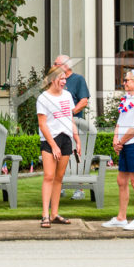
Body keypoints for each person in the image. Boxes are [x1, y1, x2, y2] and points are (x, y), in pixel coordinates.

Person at [105, 70, 134, 231]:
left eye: (127, 80)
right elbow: (120, 122)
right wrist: (115, 140)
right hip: (126, 144)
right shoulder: (127, 100)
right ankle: (121, 217)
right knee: (122, 180)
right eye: (124, 80)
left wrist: (121, 142)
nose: (124, 83)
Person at [36, 65, 80, 228]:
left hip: (66, 138)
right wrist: (53, 146)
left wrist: (77, 139)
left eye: (64, 79)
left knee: (59, 178)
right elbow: (42, 124)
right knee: (49, 176)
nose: (64, 82)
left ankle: (54, 214)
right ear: (53, 80)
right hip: (50, 139)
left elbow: (70, 118)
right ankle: (45, 215)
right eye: (61, 79)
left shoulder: (67, 96)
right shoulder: (43, 98)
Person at [54, 54, 91, 200]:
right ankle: (60, 186)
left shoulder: (78, 79)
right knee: (60, 156)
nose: (54, 66)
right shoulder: (55, 80)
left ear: (66, 65)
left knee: (76, 155)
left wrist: (70, 112)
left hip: (74, 122)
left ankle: (79, 189)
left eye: (56, 63)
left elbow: (84, 101)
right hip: (58, 125)